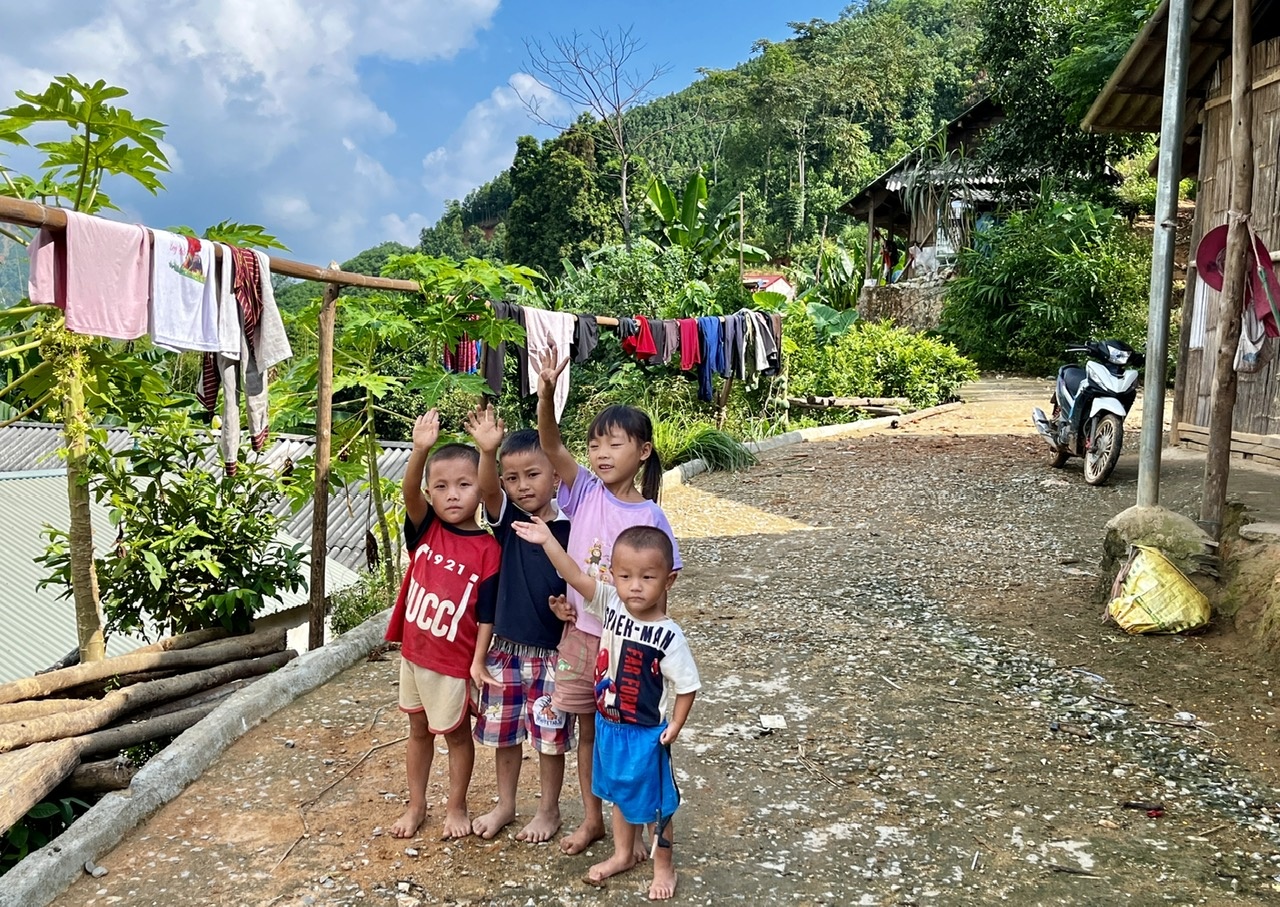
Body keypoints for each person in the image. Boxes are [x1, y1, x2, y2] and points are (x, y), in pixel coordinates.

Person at [533, 342, 683, 857]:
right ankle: (593, 820)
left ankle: (633, 828)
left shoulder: (652, 518)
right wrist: (547, 393)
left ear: (642, 452)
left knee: (628, 736)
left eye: (614, 444)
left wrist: (651, 643)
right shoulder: (584, 491)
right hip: (579, 635)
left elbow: (663, 588)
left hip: (626, 646)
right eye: (595, 444)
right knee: (587, 732)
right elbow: (551, 445)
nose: (601, 454)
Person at [512, 520, 699, 901]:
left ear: (668, 581)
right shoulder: (611, 602)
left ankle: (664, 867)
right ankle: (623, 853)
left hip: (646, 733)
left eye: (647, 577)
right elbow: (574, 575)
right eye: (625, 576)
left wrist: (677, 724)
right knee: (616, 792)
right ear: (613, 575)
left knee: (657, 805)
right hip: (609, 725)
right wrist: (548, 541)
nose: (635, 586)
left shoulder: (669, 635)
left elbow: (687, 685)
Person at [385, 410, 500, 840]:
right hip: (414, 656)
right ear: (430, 493)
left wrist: (477, 661)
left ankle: (456, 805)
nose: (452, 495)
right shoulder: (425, 528)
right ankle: (416, 805)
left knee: (456, 736)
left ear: (480, 489)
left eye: (464, 485)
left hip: (454, 663)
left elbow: (487, 614)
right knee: (417, 731)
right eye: (441, 486)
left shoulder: (489, 549)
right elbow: (408, 492)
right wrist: (420, 450)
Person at [464, 404, 572, 843]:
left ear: (556, 476)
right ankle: (505, 804)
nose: (522, 485)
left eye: (532, 474)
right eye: (512, 478)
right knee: (503, 735)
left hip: (553, 654)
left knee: (550, 737)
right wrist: (487, 452)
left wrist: (569, 608)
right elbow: (488, 490)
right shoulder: (509, 522)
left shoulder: (572, 527)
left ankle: (549, 810)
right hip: (504, 651)